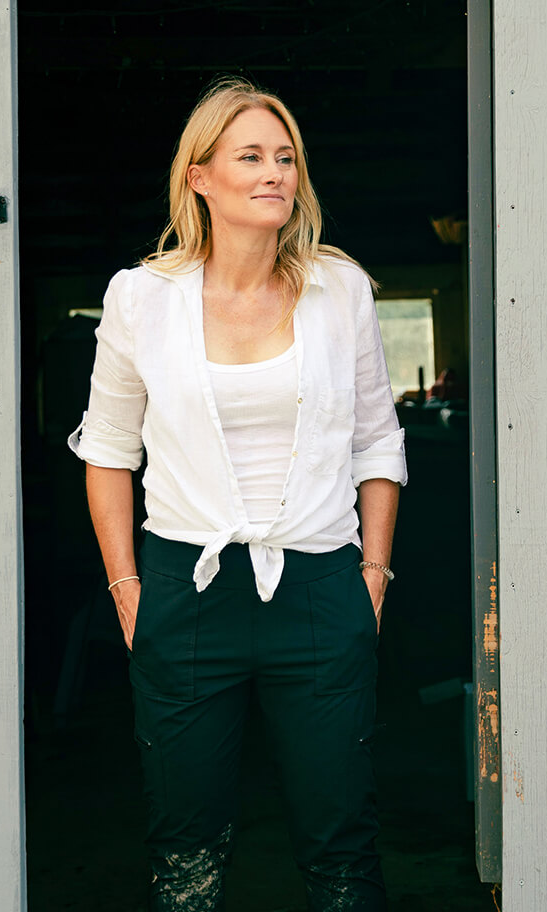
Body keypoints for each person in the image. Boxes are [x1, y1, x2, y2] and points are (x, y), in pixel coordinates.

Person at [68, 78, 407, 912]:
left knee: (343, 845)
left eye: (286, 158)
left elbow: (378, 441)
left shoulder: (340, 292)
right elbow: (108, 452)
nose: (274, 174)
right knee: (186, 852)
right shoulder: (141, 298)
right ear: (199, 177)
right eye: (250, 156)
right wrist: (128, 587)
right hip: (188, 593)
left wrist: (370, 576)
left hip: (322, 590)